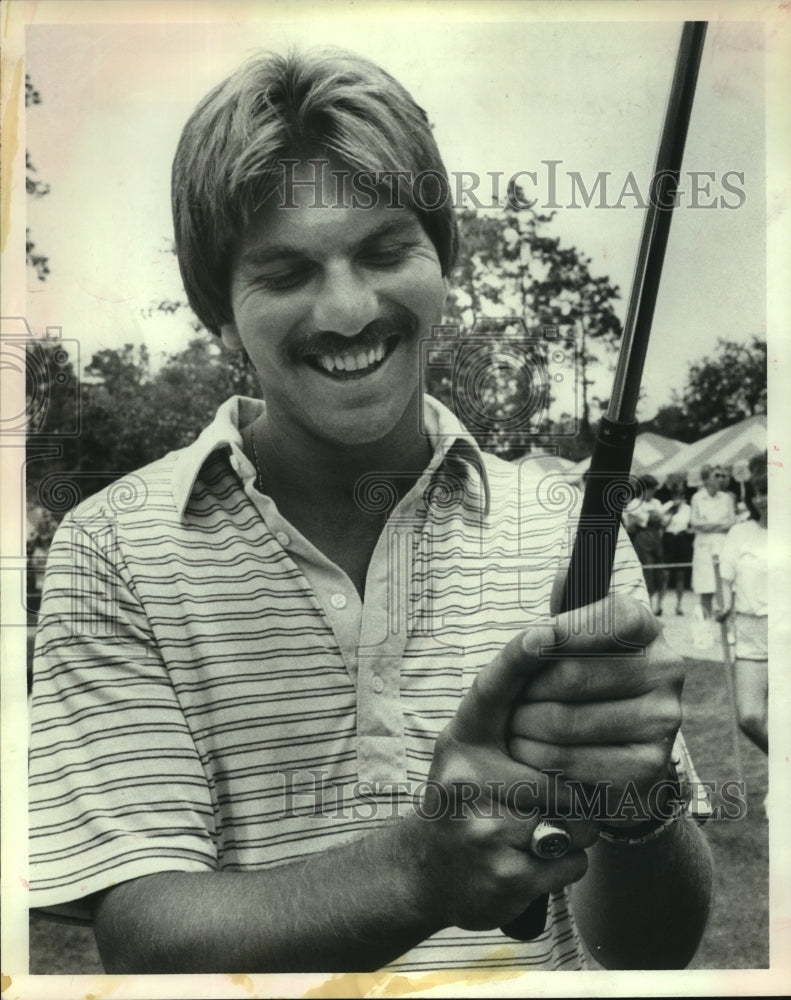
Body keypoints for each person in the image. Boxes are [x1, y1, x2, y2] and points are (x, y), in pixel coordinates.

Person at [28, 48, 713, 974]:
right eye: (285, 273)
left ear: (441, 263)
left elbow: (654, 953)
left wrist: (635, 807)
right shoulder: (114, 546)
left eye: (387, 251)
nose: (349, 309)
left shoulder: (562, 522)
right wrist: (419, 871)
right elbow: (145, 938)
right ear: (220, 314)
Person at [716, 462, 768, 755]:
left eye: (768, 492)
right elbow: (725, 577)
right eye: (758, 493)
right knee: (750, 717)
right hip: (750, 633)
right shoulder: (740, 532)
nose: (761, 499)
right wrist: (724, 603)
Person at [689, 465, 736, 625]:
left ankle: (728, 628)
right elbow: (694, 523)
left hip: (723, 545)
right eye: (717, 476)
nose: (721, 479)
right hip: (703, 547)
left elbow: (731, 522)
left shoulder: (727, 498)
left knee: (725, 586)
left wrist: (708, 524)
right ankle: (706, 627)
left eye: (723, 476)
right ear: (706, 479)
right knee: (705, 588)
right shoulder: (697, 498)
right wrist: (718, 524)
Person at [621, 474, 669, 616]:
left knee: (661, 574)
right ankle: (648, 606)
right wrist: (656, 516)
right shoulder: (634, 503)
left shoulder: (656, 502)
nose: (652, 492)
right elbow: (646, 520)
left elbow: (662, 520)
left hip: (657, 539)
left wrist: (657, 516)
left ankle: (658, 606)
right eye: (650, 489)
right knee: (647, 573)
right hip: (642, 538)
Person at [656, 477, 693, 616]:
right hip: (669, 539)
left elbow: (690, 525)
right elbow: (663, 525)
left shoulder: (688, 509)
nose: (678, 498)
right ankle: (658, 605)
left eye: (681, 495)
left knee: (680, 575)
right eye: (676, 495)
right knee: (664, 574)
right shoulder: (666, 507)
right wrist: (672, 512)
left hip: (682, 540)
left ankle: (679, 605)